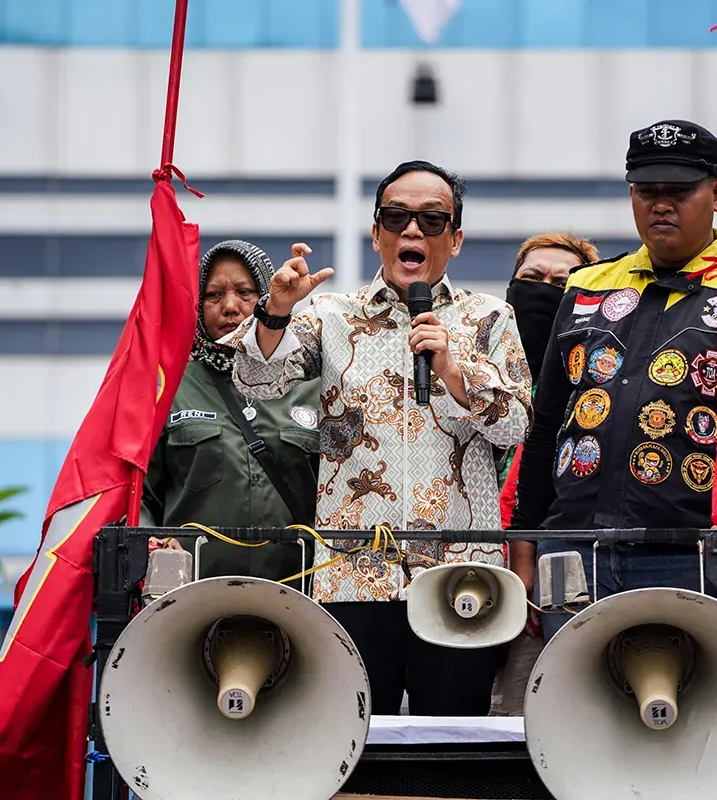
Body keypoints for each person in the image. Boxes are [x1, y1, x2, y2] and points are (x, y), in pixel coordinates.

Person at [226, 160, 533, 716]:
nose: (412, 231)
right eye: (396, 217)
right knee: (357, 734)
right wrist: (274, 311)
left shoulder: (490, 317)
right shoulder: (329, 314)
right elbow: (257, 380)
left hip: (457, 569)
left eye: (431, 220)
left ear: (456, 239)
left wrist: (454, 371)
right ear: (376, 234)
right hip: (353, 572)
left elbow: (517, 424)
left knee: (454, 737)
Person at [510, 120, 717, 643]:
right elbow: (545, 424)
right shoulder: (588, 285)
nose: (661, 204)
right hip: (573, 550)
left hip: (697, 554)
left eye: (679, 190)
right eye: (646, 190)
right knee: (575, 717)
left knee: (689, 720)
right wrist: (526, 541)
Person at [141, 239, 321, 585]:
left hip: (298, 597)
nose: (229, 306)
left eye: (245, 292)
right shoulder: (169, 386)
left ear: (269, 299)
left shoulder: (310, 384)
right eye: (213, 295)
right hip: (191, 596)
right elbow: (140, 494)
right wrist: (156, 546)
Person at [489, 232, 598, 717]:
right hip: (464, 581)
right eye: (531, 279)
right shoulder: (469, 365)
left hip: (547, 593)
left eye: (562, 282)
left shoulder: (595, 382)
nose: (544, 290)